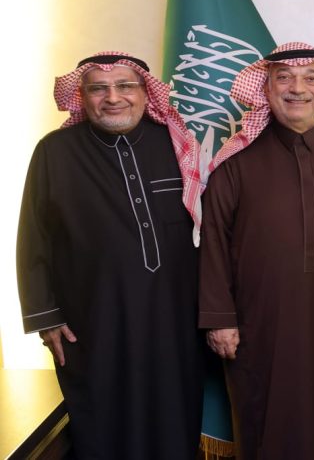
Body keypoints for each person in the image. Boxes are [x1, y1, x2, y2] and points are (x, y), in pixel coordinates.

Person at [16, 52, 204, 459]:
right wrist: (46, 317)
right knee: (103, 426)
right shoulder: (54, 152)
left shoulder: (175, 143)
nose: (113, 98)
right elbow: (34, 238)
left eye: (125, 86)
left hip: (175, 320)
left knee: (175, 420)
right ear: (82, 97)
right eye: (98, 89)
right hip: (94, 321)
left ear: (146, 93)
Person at [199, 42, 314, 459]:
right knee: (265, 422)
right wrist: (220, 319)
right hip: (259, 324)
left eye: (311, 78)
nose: (298, 88)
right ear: (266, 88)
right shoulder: (236, 160)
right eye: (284, 78)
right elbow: (213, 241)